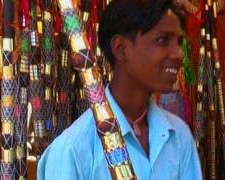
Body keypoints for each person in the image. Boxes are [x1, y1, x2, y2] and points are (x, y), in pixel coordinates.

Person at [38, 0, 202, 179]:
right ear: (121, 48)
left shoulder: (179, 136)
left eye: (178, 41)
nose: (178, 53)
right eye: (162, 40)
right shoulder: (73, 150)